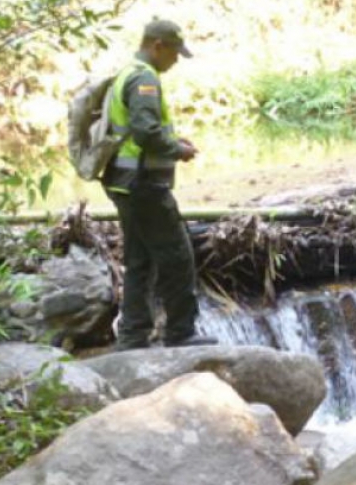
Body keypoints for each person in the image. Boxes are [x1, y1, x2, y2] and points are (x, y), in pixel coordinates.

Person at [102, 19, 216, 350]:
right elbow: (145, 133)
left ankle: (133, 336)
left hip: (125, 185)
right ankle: (180, 331)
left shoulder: (128, 72)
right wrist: (177, 150)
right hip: (144, 186)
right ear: (157, 46)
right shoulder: (144, 79)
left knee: (140, 261)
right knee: (177, 255)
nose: (176, 60)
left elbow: (138, 130)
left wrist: (172, 138)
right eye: (174, 53)